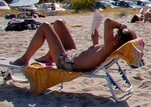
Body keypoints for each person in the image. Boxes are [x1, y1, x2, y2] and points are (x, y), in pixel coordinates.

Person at [7, 18, 137, 73]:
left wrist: (121, 25)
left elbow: (108, 22)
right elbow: (94, 57)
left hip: (67, 62)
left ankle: (24, 59)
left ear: (118, 38)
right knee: (59, 23)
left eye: (117, 32)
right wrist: (95, 42)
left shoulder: (110, 47)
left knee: (45, 26)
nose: (115, 32)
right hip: (72, 54)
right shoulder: (109, 48)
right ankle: (49, 57)